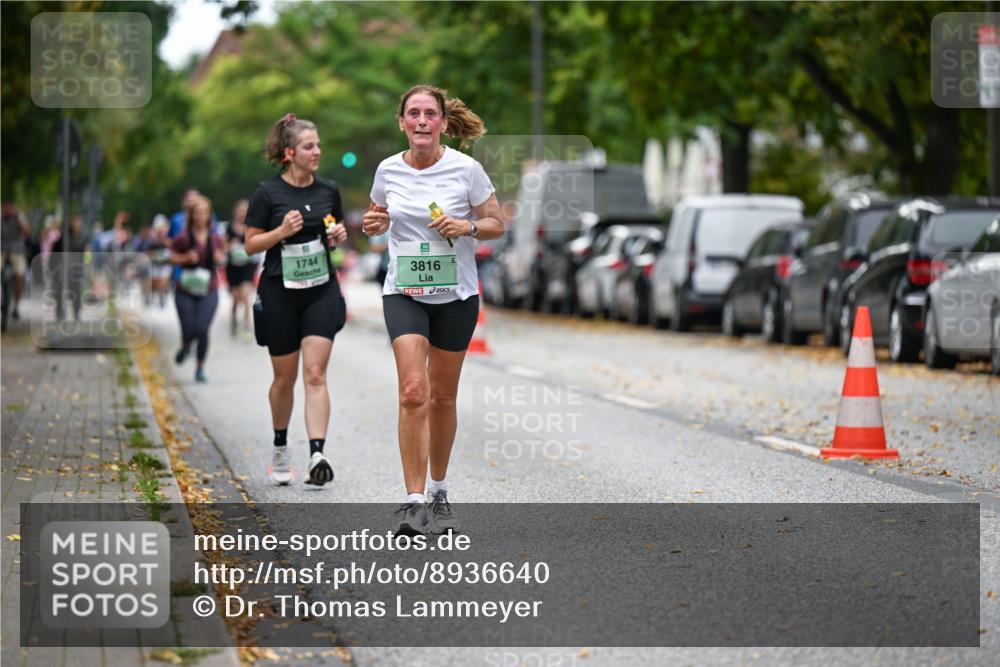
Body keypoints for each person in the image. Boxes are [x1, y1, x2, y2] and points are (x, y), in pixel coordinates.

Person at [363, 85, 505, 535]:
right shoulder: (387, 170)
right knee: (412, 391)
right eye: (413, 113)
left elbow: (496, 224)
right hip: (403, 292)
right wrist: (374, 224)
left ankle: (439, 493)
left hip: (456, 297)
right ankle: (412, 501)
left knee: (443, 397)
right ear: (402, 122)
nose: (422, 121)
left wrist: (467, 226)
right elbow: (377, 216)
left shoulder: (467, 169)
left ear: (442, 122)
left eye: (430, 114)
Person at [244, 113, 348, 488]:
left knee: (315, 374)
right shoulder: (267, 193)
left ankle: (317, 454)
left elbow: (333, 228)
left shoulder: (328, 190)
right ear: (290, 153)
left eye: (318, 145)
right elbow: (250, 244)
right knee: (284, 379)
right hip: (280, 293)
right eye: (309, 146)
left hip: (320, 289)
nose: (317, 151)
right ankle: (280, 447)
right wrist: (281, 231)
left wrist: (337, 235)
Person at [170, 195, 225, 383]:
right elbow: (170, 257)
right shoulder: (183, 237)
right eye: (198, 213)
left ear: (209, 215)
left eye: (205, 212)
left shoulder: (215, 238)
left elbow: (222, 257)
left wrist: (219, 258)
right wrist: (185, 258)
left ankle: (200, 368)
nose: (201, 216)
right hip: (185, 289)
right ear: (192, 216)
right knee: (188, 328)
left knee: (202, 328)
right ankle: (186, 345)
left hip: (209, 288)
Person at [224, 199, 257, 335]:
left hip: (248, 266)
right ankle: (233, 319)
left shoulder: (252, 227)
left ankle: (247, 325)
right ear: (235, 212)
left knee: (246, 296)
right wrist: (231, 245)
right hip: (233, 267)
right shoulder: (229, 227)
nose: (242, 213)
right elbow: (222, 247)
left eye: (245, 211)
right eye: (240, 211)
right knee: (236, 297)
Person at [50, 213, 88, 321]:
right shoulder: (63, 238)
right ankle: (59, 314)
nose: (77, 224)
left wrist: (84, 265)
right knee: (59, 292)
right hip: (61, 268)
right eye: (75, 221)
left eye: (79, 222)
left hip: (75, 269)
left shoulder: (82, 238)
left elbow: (84, 254)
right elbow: (54, 253)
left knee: (75, 292)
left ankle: (76, 313)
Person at [1, 202, 31, 320]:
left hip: (17, 251)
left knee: (20, 276)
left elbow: (27, 233)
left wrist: (18, 220)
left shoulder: (19, 217)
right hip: (2, 250)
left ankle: (16, 305)